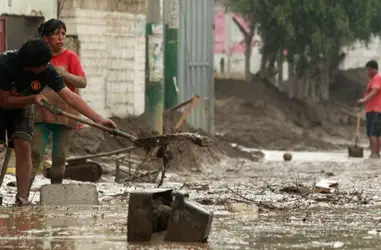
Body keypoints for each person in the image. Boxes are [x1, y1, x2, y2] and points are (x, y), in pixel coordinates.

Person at [0, 38, 117, 206]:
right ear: (30, 66)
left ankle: (22, 197)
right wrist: (33, 98)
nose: (46, 67)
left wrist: (99, 120)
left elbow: (70, 96)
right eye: (42, 66)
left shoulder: (47, 69)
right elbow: (4, 101)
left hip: (23, 106)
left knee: (23, 144)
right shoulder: (5, 65)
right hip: (2, 102)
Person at [29, 19, 87, 192]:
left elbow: (83, 82)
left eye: (63, 33)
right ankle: (23, 193)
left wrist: (64, 74)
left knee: (59, 156)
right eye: (56, 34)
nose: (61, 38)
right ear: (46, 38)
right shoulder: (39, 57)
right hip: (40, 114)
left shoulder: (70, 57)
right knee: (35, 153)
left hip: (65, 115)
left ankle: (55, 191)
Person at [358, 60, 381, 158]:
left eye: (368, 70)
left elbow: (375, 91)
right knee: (378, 133)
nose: (367, 72)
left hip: (374, 110)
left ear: (373, 69)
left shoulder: (377, 78)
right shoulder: (376, 78)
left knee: (372, 133)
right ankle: (377, 154)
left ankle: (374, 154)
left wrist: (364, 100)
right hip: (377, 109)